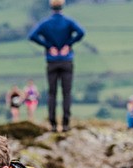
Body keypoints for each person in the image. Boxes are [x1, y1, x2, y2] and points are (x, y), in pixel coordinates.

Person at [28, 0, 85, 132]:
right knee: (66, 93)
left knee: (52, 93)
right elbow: (81, 32)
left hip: (52, 61)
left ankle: (53, 124)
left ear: (51, 7)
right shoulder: (68, 22)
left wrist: (48, 46)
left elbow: (32, 35)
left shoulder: (46, 23)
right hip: (66, 60)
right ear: (62, 6)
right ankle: (65, 123)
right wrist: (68, 44)